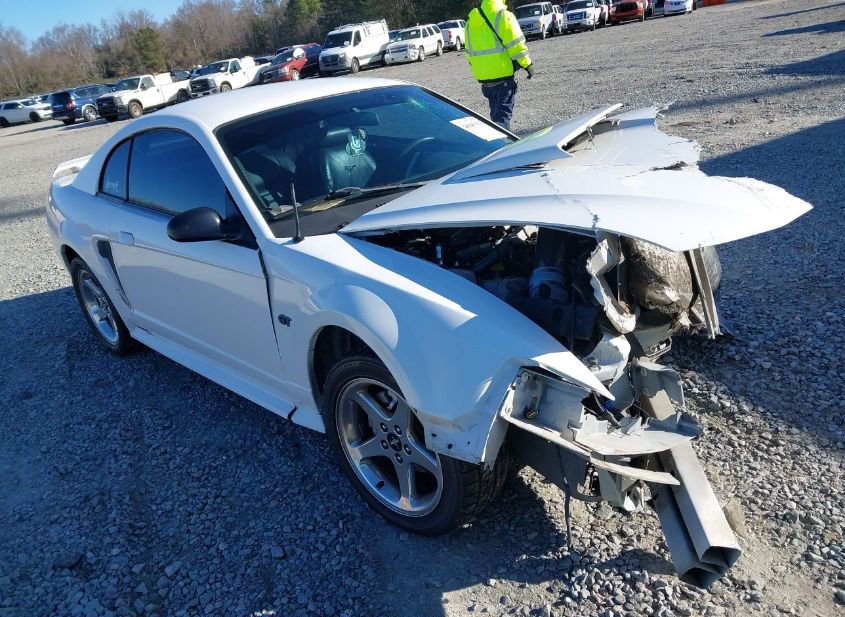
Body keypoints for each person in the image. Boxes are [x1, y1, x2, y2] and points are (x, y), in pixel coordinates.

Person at [465, 0, 535, 131]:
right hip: (503, 78)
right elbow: (516, 45)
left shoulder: (470, 21)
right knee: (502, 122)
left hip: (485, 82)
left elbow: (468, 54)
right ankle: (501, 148)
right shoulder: (503, 15)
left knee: (496, 119)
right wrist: (527, 64)